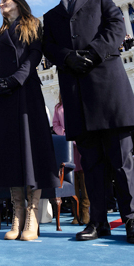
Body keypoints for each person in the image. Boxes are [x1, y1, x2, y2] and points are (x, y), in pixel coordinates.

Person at [42, 0, 134, 244]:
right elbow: (48, 47)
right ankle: (98, 222)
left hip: (109, 93)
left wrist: (92, 54)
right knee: (91, 166)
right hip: (77, 98)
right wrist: (67, 58)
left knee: (121, 163)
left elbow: (116, 28)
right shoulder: (50, 17)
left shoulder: (101, 0)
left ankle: (131, 220)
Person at [0, 0, 58, 242]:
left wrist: (15, 80)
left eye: (6, 1)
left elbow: (34, 56)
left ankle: (31, 214)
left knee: (30, 152)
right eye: (0, 2)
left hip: (25, 93)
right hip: (3, 99)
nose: (1, 4)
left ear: (19, 4)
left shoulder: (33, 25)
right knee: (10, 155)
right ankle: (16, 214)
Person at [52, 93, 89, 225]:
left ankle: (86, 211)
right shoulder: (58, 108)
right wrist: (64, 133)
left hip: (81, 143)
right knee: (72, 180)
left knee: (84, 178)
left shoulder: (79, 102)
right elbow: (55, 124)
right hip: (68, 146)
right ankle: (76, 213)